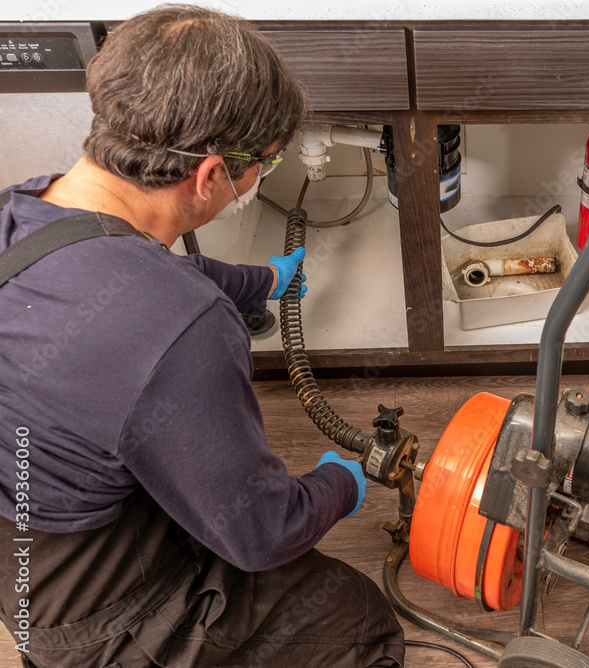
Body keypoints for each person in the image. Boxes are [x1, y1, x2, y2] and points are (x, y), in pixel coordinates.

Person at [0, 5, 404, 667]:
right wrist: (341, 483)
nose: (255, 182)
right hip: (91, 622)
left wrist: (260, 282)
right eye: (261, 169)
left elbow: (129, 264)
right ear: (212, 174)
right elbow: (260, 533)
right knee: (357, 625)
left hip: (25, 551)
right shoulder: (182, 329)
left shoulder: (23, 209)